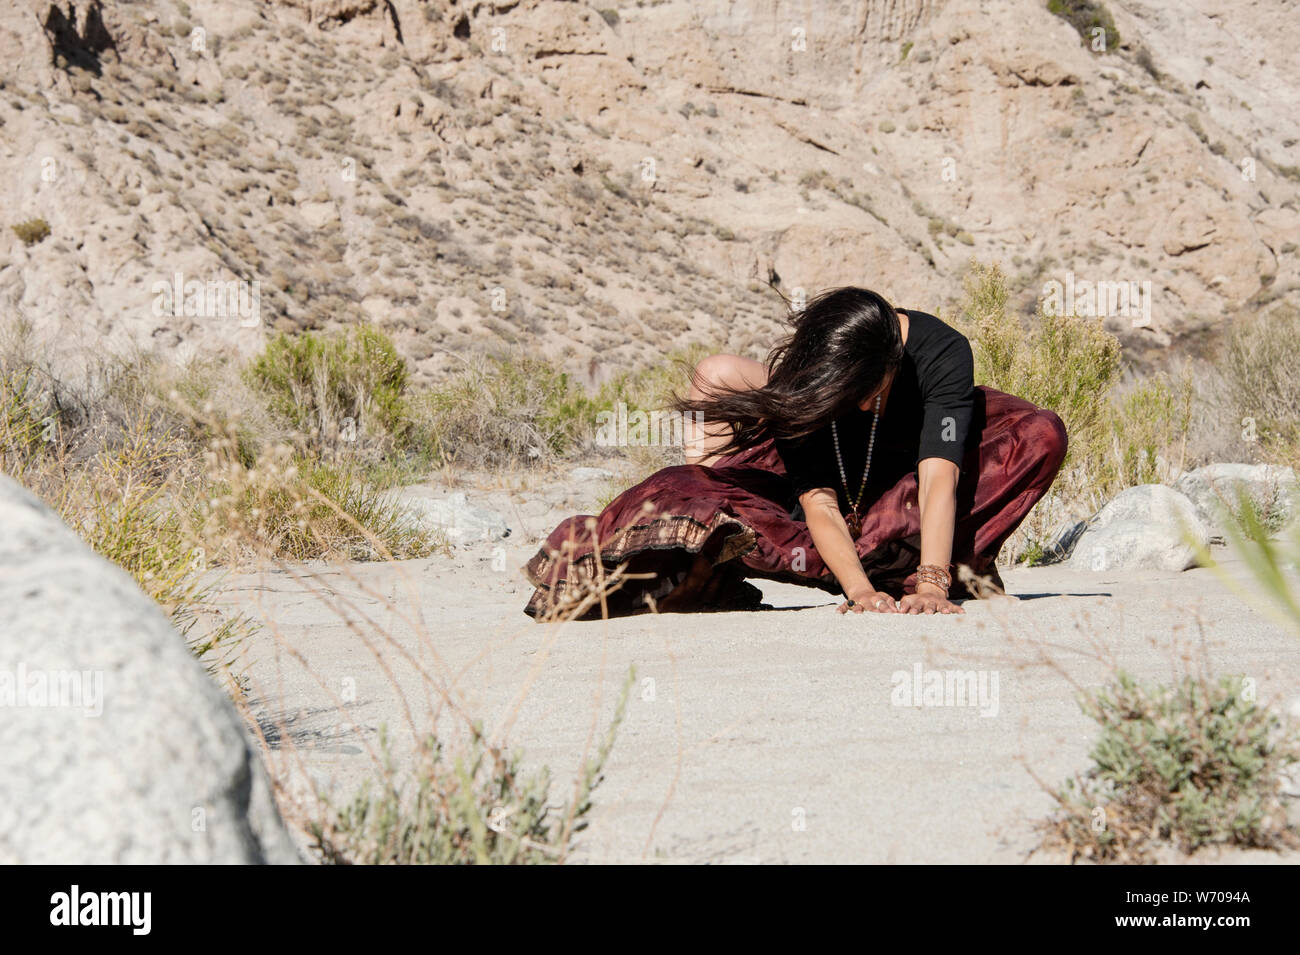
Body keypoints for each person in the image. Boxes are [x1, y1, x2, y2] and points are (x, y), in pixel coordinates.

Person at [524, 287, 1068, 620]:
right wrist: (858, 592)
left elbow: (938, 480)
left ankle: (916, 563)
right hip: (834, 502)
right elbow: (820, 504)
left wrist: (931, 582)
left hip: (907, 489)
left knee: (1038, 433)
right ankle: (735, 564)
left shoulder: (941, 351)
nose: (856, 405)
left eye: (861, 393)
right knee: (689, 493)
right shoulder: (807, 383)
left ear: (889, 365)